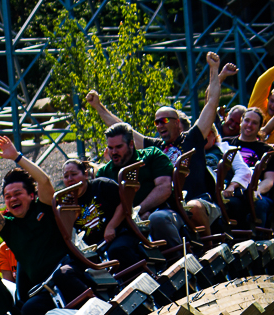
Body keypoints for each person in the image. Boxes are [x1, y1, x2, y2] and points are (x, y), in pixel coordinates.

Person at [88, 53, 237, 238]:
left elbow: (212, 104)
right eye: (156, 122)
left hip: (196, 200)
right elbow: (122, 129)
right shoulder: (154, 146)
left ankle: (207, 245)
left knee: (193, 207)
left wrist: (214, 70)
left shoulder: (192, 138)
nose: (159, 125)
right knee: (149, 218)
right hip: (168, 206)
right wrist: (98, 106)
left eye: (164, 120)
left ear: (177, 122)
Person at [0, 136, 93, 315]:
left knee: (64, 276)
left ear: (31, 195)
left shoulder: (44, 207)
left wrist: (17, 157)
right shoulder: (8, 227)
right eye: (8, 196)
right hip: (43, 288)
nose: (13, 199)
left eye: (18, 194)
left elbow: (44, 181)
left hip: (68, 268)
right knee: (28, 310)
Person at [94, 123, 178, 248]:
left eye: (118, 147)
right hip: (125, 225)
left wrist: (138, 211)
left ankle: (178, 261)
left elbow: (164, 188)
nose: (114, 152)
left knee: (157, 219)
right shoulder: (104, 174)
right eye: (110, 148)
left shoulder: (151, 155)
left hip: (163, 212)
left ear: (131, 144)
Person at [62, 159, 142, 270]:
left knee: (117, 250)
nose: (70, 179)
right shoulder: (67, 203)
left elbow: (125, 203)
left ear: (85, 174)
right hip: (94, 248)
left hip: (120, 234)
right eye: (66, 177)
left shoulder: (102, 185)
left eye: (74, 174)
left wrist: (111, 226)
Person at [223, 107, 274, 227]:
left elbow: (269, 180)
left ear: (259, 127)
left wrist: (257, 190)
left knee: (258, 203)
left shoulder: (267, 150)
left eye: (254, 123)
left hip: (257, 191)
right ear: (241, 122)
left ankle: (258, 237)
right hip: (231, 191)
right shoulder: (226, 144)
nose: (249, 125)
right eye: (247, 120)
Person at [204, 124, 252, 198]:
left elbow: (244, 170)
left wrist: (232, 186)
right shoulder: (192, 153)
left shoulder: (228, 150)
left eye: (207, 134)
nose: (203, 138)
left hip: (227, 193)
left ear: (213, 135)